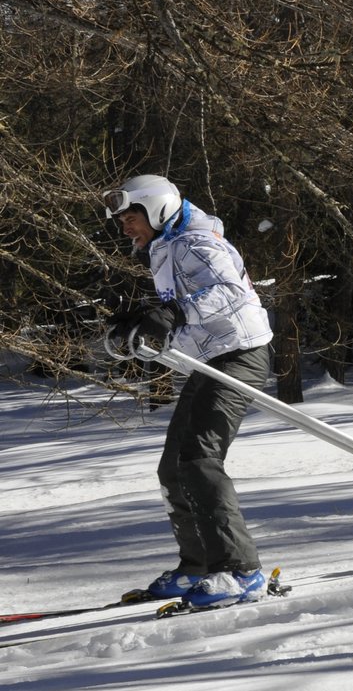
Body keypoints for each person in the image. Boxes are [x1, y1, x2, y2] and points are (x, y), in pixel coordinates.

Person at [101, 174, 276, 606]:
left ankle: (241, 572)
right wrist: (146, 319)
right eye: (121, 220)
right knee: (173, 467)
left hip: (240, 354)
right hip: (210, 358)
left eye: (130, 217)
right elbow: (186, 308)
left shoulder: (197, 242)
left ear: (157, 207)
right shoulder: (167, 247)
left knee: (199, 459)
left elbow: (231, 295)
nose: (125, 227)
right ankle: (196, 566)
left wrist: (174, 312)